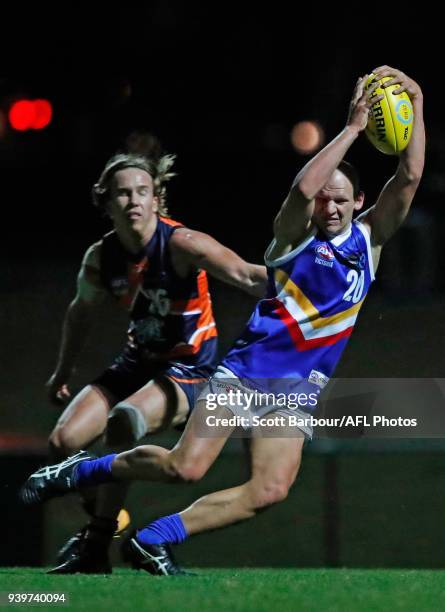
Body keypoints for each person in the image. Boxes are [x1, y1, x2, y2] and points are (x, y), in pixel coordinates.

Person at [21, 66, 425, 575]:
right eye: (327, 197)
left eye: (342, 199)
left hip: (298, 387)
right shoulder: (293, 238)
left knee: (269, 490)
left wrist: (418, 100)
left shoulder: (369, 241)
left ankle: (153, 539)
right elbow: (302, 189)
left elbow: (408, 177)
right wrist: (351, 129)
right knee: (184, 467)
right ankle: (78, 471)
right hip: (247, 372)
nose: (331, 204)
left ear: (360, 203)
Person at [42, 151, 267, 573]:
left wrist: (310, 286)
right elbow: (81, 313)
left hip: (189, 370)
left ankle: (95, 542)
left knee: (125, 419)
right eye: (123, 194)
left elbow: (247, 276)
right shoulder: (101, 256)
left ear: (156, 199)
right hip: (137, 362)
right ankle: (107, 524)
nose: (133, 201)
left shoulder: (181, 243)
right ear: (106, 203)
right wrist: (63, 371)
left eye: (142, 192)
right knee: (63, 443)